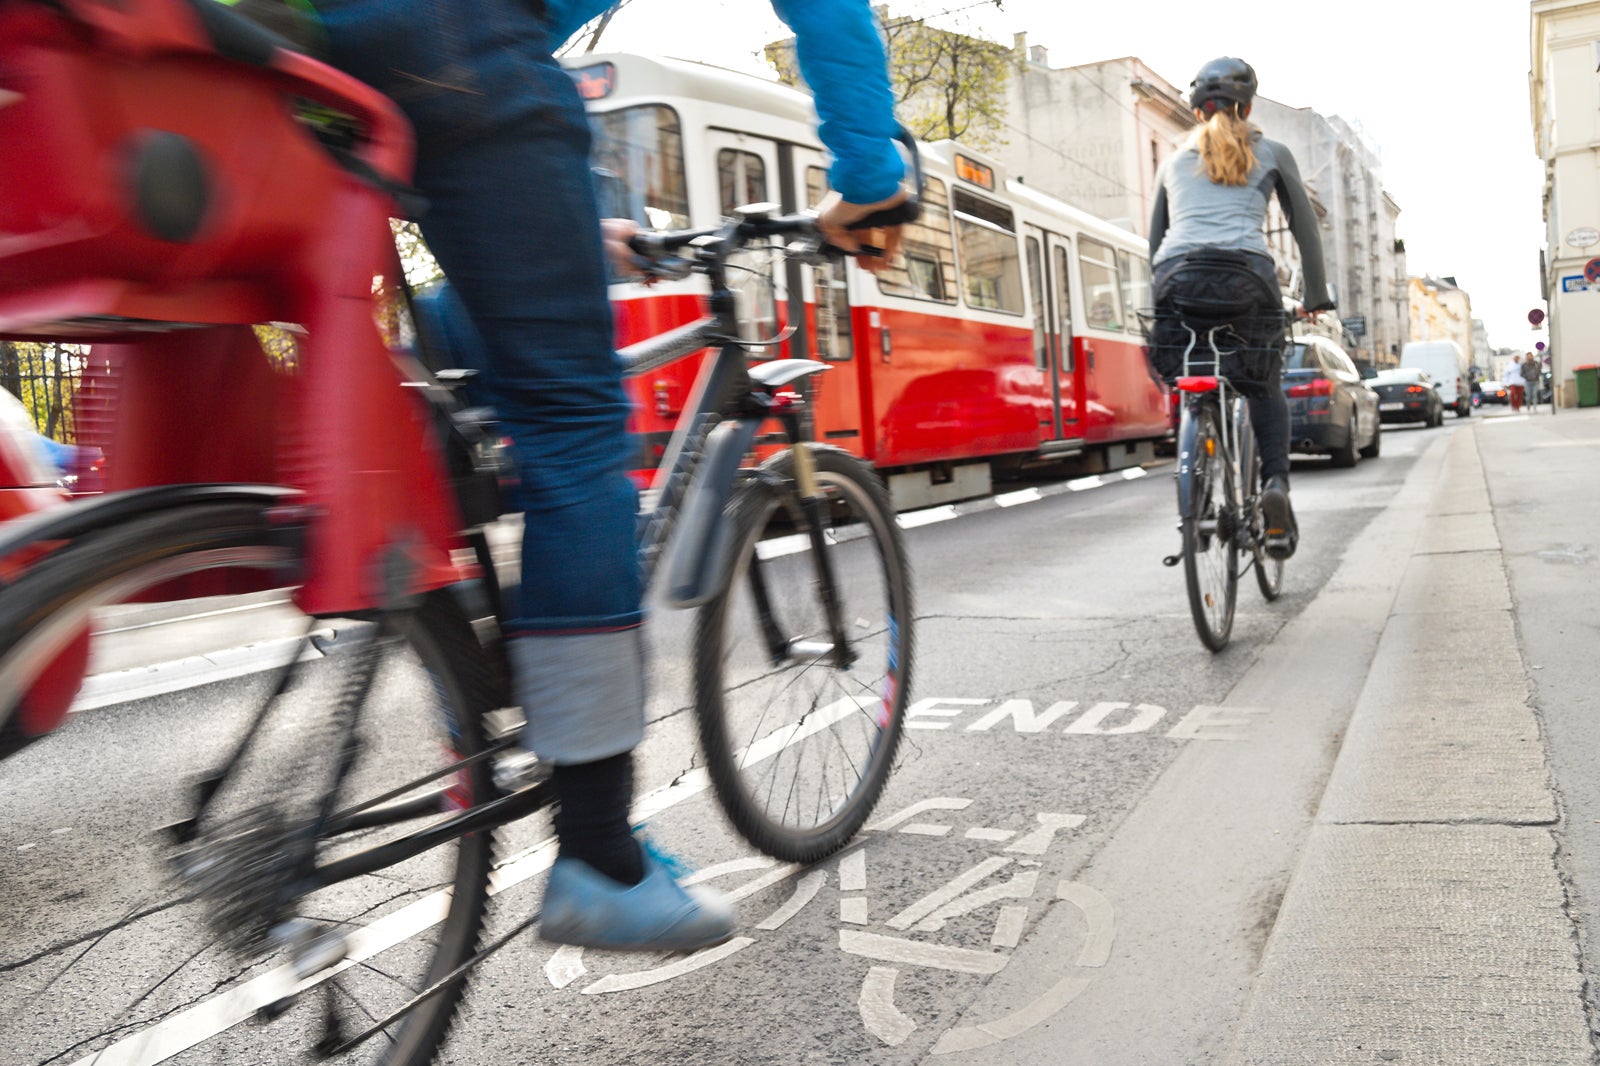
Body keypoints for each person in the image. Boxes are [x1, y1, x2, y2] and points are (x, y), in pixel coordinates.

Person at [304, 0, 910, 951]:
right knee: (576, 430)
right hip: (451, 43)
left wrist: (580, 231)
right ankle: (598, 855)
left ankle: (455, 673)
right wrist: (876, 175)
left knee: (464, 357)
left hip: (307, 56)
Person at [1147, 57, 1334, 561]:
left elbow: (1156, 240)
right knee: (1261, 383)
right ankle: (1274, 483)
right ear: (1247, 106)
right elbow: (1304, 229)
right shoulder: (1271, 151)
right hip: (1247, 281)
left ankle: (1197, 473)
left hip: (1176, 280)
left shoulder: (1172, 161)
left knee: (1193, 373)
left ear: (1195, 111)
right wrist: (1316, 294)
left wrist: (1161, 298)